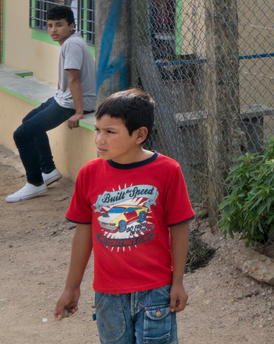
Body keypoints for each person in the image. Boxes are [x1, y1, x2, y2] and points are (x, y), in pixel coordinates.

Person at [54, 88, 194, 342]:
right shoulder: (89, 174)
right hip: (108, 295)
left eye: (110, 132)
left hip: (155, 292)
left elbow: (180, 227)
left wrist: (178, 282)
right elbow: (84, 232)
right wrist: (71, 287)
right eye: (97, 130)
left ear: (139, 134)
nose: (99, 140)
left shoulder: (168, 171)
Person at [6, 4, 97, 203]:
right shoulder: (70, 42)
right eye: (50, 25)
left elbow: (74, 79)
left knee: (21, 134)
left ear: (71, 26)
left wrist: (79, 112)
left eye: (59, 25)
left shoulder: (71, 44)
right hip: (63, 97)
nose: (53, 30)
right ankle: (48, 170)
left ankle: (35, 184)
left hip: (71, 104)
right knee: (28, 121)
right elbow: (66, 77)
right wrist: (58, 92)